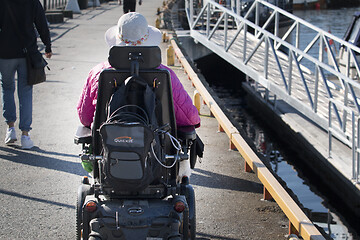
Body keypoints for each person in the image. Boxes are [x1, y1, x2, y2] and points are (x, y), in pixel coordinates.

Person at [77, 12, 200, 131]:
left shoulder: (98, 72)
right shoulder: (164, 73)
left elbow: (85, 118)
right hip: (154, 144)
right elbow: (190, 118)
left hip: (107, 142)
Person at [0, 0, 52, 149]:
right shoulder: (32, 2)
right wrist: (47, 45)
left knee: (7, 88)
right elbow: (42, 23)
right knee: (26, 92)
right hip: (27, 53)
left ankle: (10, 129)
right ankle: (25, 135)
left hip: (5, 52)